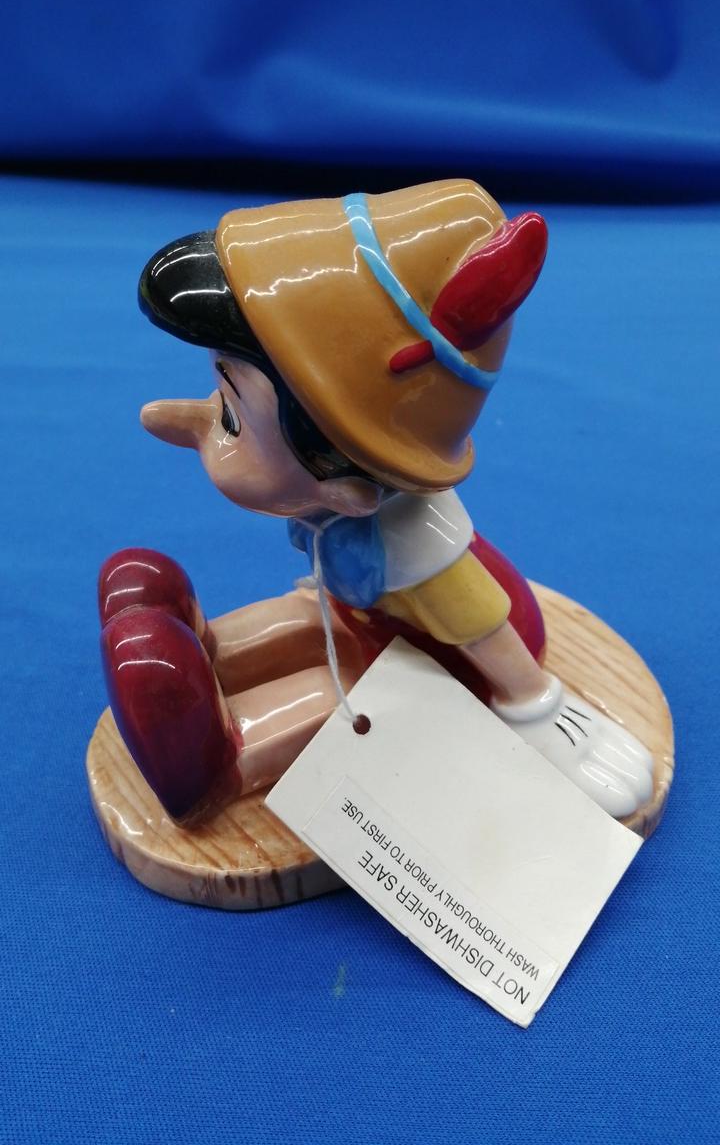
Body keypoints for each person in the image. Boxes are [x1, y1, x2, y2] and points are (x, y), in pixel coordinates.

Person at [100, 180, 653, 820]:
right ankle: (200, 648)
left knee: (332, 696)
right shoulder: (339, 510)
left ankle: (222, 753)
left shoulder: (422, 557)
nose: (217, 426)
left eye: (233, 417)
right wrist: (203, 422)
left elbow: (482, 630)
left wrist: (539, 709)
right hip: (369, 619)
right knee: (303, 622)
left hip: (450, 663)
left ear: (350, 488)